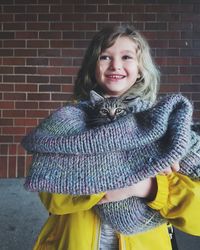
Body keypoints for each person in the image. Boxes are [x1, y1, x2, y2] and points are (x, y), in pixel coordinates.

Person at [26, 25, 200, 250]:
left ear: (140, 68)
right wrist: (129, 171)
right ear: (93, 66)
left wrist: (148, 186)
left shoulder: (165, 126)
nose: (116, 65)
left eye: (126, 57)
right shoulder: (66, 124)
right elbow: (53, 198)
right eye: (105, 57)